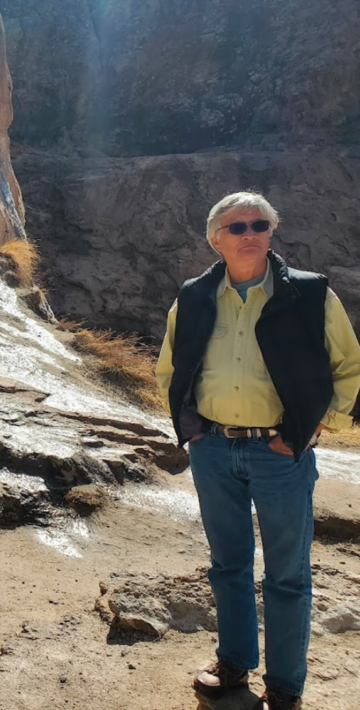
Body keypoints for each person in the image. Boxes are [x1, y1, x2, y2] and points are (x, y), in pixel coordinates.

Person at [155, 191, 360, 710]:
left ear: (272, 231)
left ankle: (285, 686)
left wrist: (310, 431)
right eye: (238, 226)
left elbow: (349, 370)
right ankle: (234, 662)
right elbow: (170, 368)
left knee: (287, 575)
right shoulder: (195, 296)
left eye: (260, 224)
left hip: (281, 453)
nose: (251, 234)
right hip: (213, 450)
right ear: (215, 238)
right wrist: (190, 428)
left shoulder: (309, 295)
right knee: (227, 565)